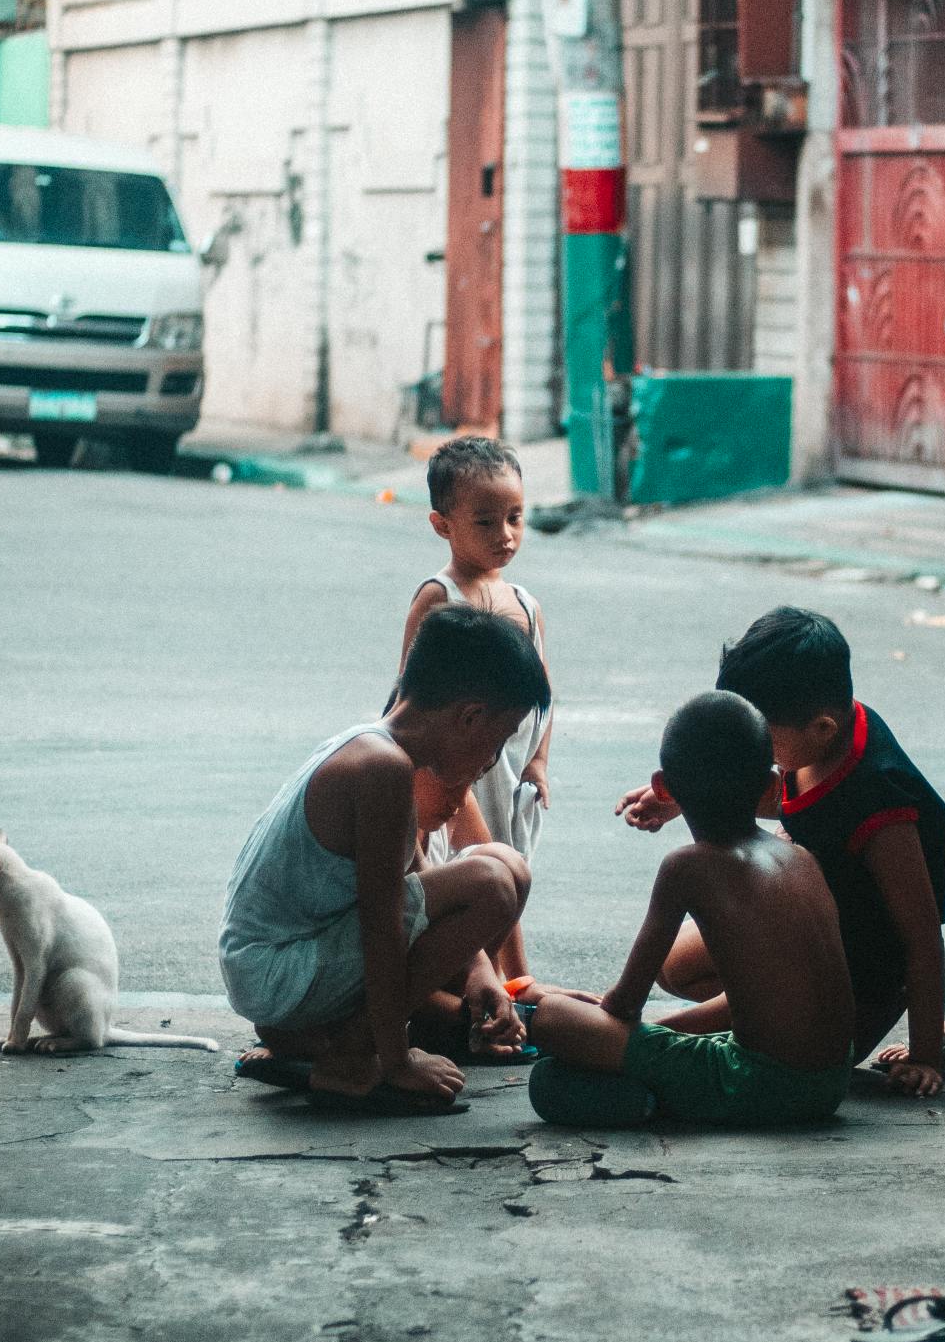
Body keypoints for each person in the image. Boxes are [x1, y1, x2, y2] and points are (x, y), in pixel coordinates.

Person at [616, 606, 945, 1097]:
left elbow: (921, 938)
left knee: (673, 1033)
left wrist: (926, 1053)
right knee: (675, 966)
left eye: (762, 744)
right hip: (807, 928)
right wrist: (686, 796)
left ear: (820, 728)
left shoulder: (883, 804)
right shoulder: (820, 738)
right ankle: (725, 1012)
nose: (750, 757)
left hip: (856, 982)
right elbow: (792, 803)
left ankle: (688, 1027)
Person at [221, 602, 549, 1102]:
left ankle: (325, 1041)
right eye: (501, 739)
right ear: (470, 716)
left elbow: (413, 876)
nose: (494, 759)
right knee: (492, 885)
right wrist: (397, 1059)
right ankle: (355, 1049)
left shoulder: (379, 748)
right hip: (277, 971)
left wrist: (480, 968)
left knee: (509, 868)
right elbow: (384, 925)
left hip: (286, 963)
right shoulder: (382, 768)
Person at [527, 690, 854, 1128]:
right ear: (772, 786)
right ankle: (653, 1097)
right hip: (830, 1083)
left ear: (663, 787)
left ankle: (648, 1103)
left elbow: (625, 1005)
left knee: (551, 1031)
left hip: (758, 1084)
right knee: (575, 1066)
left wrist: (589, 1029)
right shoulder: (801, 858)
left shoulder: (687, 867)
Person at [398, 435, 551, 984]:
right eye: (485, 522)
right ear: (443, 525)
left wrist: (538, 762)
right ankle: (503, 979)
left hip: (507, 773)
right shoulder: (440, 597)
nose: (505, 535)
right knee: (474, 866)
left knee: (509, 864)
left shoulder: (525, 605)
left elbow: (543, 694)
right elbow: (409, 694)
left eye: (515, 517)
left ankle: (495, 982)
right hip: (455, 769)